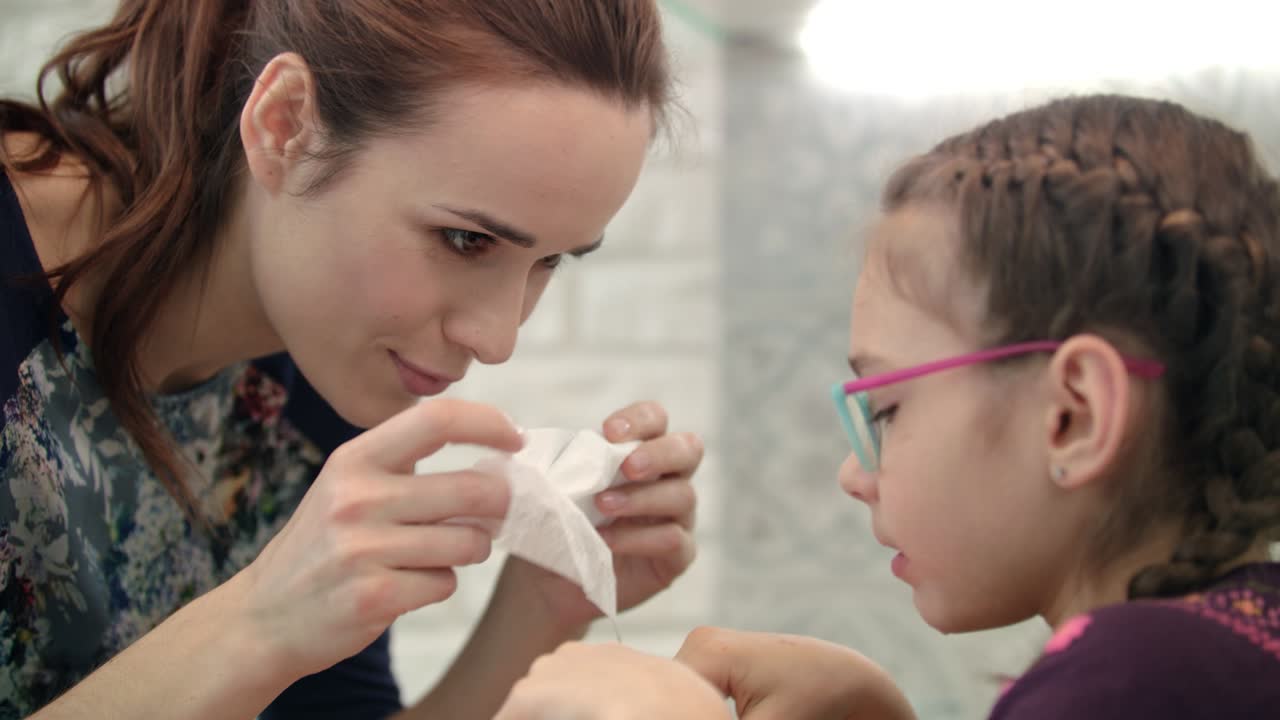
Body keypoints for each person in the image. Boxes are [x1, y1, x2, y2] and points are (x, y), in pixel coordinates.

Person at [0, 1, 705, 718]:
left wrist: (540, 613)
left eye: (550, 259)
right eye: (466, 240)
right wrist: (254, 625)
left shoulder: (318, 384)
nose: (497, 340)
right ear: (285, 127)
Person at [492, 94, 1280, 720]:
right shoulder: (1228, 649)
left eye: (889, 408)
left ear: (1073, 415)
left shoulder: (1131, 681)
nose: (852, 474)